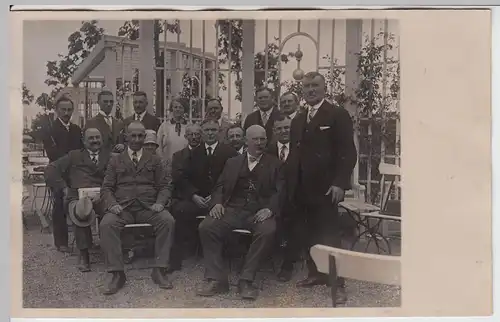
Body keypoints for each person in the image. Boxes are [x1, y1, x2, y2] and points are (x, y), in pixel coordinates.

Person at [287, 71, 358, 304]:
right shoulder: (298, 119)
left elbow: (348, 153)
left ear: (324, 88)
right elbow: (295, 155)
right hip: (302, 188)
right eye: (306, 86)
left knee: (329, 234)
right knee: (307, 232)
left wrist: (340, 183)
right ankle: (315, 273)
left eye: (315, 85)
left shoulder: (337, 115)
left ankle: (338, 284)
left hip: (327, 188)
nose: (310, 90)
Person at [197, 125, 283, 300]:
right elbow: (220, 186)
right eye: (255, 139)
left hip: (258, 212)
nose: (259, 143)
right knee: (207, 226)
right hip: (233, 210)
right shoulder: (233, 162)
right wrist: (217, 203)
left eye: (263, 139)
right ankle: (217, 279)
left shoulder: (275, 164)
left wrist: (270, 209)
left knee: (267, 230)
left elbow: (281, 191)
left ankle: (246, 280)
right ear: (246, 141)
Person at [99, 121, 175, 295]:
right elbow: (106, 188)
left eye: (141, 136)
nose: (137, 139)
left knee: (167, 220)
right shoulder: (116, 160)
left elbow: (164, 186)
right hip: (122, 208)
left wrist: (160, 203)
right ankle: (117, 273)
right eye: (133, 135)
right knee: (106, 224)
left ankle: (159, 269)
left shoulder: (155, 160)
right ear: (126, 137)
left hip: (148, 207)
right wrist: (112, 204)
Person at [170, 119, 237, 271]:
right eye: (207, 130)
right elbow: (183, 178)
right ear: (202, 133)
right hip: (199, 199)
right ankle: (175, 258)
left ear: (219, 132)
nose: (210, 133)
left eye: (213, 130)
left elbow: (233, 179)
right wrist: (194, 196)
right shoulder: (192, 153)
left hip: (221, 200)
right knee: (180, 210)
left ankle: (224, 256)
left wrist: (217, 198)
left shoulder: (229, 152)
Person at [44, 128, 111, 272]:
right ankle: (84, 254)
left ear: (102, 139)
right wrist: (63, 187)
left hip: (102, 196)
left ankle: (112, 252)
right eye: (91, 138)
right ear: (84, 141)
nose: (95, 141)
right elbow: (51, 169)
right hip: (78, 196)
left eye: (97, 137)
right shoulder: (73, 156)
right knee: (81, 211)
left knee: (113, 212)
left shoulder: (110, 156)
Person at [41, 96, 83, 253]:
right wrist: (70, 158)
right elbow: (53, 153)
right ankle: (61, 242)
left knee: (78, 205)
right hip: (58, 173)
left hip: (75, 173)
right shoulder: (50, 130)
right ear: (57, 110)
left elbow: (80, 150)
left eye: (69, 110)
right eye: (63, 109)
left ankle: (82, 241)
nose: (66, 113)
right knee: (59, 206)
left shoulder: (76, 130)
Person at [266, 114, 300, 282]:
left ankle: (288, 265)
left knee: (296, 223)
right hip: (274, 199)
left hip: (296, 199)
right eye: (279, 128)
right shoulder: (268, 150)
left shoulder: (300, 149)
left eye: (287, 127)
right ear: (274, 131)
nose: (284, 131)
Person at [157, 97, 189, 162]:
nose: (178, 109)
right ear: (172, 109)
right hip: (168, 162)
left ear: (184, 109)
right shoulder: (164, 126)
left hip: (186, 163)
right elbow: (158, 146)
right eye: (175, 107)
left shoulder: (189, 126)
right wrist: (162, 160)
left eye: (180, 107)